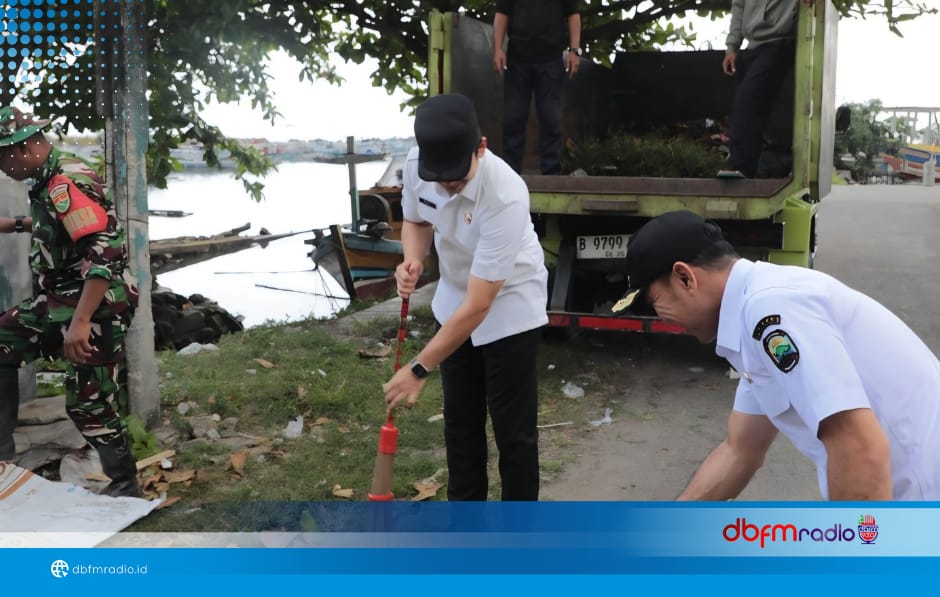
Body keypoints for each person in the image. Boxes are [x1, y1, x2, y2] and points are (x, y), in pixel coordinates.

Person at [611, 210, 940, 500]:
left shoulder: (770, 311)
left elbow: (858, 448)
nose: (661, 317)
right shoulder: (752, 315)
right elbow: (740, 451)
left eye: (655, 303)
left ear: (685, 278)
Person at [382, 93, 549, 501]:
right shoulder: (418, 165)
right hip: (454, 296)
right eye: (440, 176)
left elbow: (480, 304)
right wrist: (412, 259)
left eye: (457, 174)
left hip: (509, 304)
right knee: (460, 426)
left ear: (482, 146)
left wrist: (419, 368)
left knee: (514, 434)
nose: (448, 185)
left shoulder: (506, 193)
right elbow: (416, 220)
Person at [0, 105, 141, 498]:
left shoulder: (65, 180)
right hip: (61, 300)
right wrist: (13, 225)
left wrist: (80, 323)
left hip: (95, 306)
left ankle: (126, 486)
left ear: (23, 148)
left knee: (89, 404)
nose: (0, 166)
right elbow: (64, 223)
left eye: (0, 156)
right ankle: (2, 461)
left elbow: (105, 250)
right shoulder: (48, 179)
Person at [718, 0, 816, 179]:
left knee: (747, 100)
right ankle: (748, 167)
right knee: (750, 105)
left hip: (779, 40)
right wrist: (732, 46)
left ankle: (741, 166)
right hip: (752, 45)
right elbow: (739, 5)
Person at [493, 0, 581, 175]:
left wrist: (574, 50)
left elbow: (573, 13)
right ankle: (509, 174)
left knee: (551, 118)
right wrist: (497, 48)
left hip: (551, 59)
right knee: (513, 119)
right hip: (517, 58)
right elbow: (502, 13)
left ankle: (552, 174)